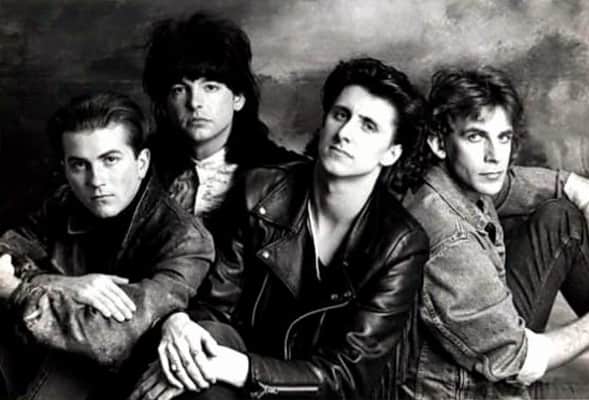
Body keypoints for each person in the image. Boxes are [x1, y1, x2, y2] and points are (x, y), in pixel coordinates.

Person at [127, 57, 429, 400]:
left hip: (317, 392)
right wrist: (183, 335)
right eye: (341, 115)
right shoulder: (261, 190)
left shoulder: (400, 245)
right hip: (237, 377)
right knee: (196, 351)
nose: (345, 133)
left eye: (368, 126)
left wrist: (239, 367)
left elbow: (347, 376)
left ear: (392, 153)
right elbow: (214, 306)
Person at [401, 66, 589, 399]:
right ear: (439, 143)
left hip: (487, 365)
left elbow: (575, 188)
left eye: (503, 137)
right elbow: (521, 362)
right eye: (475, 137)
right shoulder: (448, 237)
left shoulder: (458, 180)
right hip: (467, 391)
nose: (495, 156)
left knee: (560, 217)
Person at [0, 92, 214, 399]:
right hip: (45, 361)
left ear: (141, 163)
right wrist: (59, 283)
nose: (96, 180)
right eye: (79, 165)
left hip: (130, 380)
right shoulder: (62, 203)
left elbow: (108, 335)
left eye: (110, 160)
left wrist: (16, 291)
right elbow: (5, 252)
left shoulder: (184, 237)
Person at [142, 12, 299, 238]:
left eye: (210, 87)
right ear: (165, 103)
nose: (194, 103)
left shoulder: (281, 175)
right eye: (180, 89)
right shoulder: (141, 168)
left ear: (238, 98)